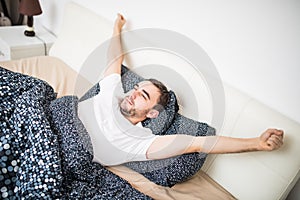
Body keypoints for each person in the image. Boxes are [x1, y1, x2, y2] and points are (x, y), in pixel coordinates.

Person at [77, 14, 284, 166]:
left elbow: (199, 143)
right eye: (137, 88)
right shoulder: (112, 92)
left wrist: (256, 142)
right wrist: (117, 28)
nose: (134, 93)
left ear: (152, 113)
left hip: (69, 151)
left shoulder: (139, 141)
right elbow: (114, 58)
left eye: (144, 95)